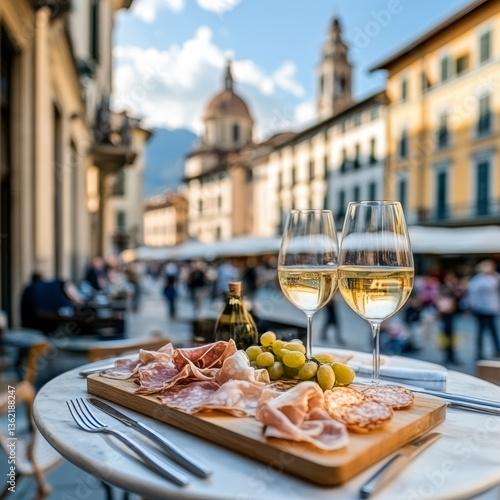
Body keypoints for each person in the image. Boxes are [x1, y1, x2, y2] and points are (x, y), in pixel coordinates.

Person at [468, 260, 500, 360]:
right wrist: (472, 306)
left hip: (492, 307)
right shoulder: (478, 279)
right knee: (480, 331)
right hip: (480, 308)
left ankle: (497, 350)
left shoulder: (495, 277)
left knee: (493, 330)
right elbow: (473, 293)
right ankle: (479, 352)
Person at [437, 271, 464, 365]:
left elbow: (459, 296)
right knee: (446, 334)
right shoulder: (444, 287)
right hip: (445, 314)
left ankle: (451, 355)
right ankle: (446, 355)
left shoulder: (455, 286)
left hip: (451, 314)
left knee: (451, 334)